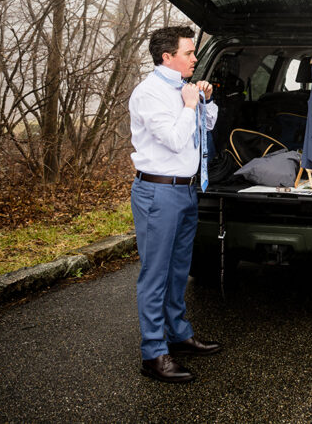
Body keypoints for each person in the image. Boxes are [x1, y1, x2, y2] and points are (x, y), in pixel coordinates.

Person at [129, 25, 221, 383]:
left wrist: (204, 100)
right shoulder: (149, 93)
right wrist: (188, 104)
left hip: (185, 191)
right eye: (188, 53)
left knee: (179, 270)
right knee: (155, 274)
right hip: (157, 193)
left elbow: (207, 127)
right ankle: (153, 353)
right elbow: (173, 139)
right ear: (167, 57)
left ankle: (178, 334)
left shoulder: (185, 90)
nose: (195, 58)